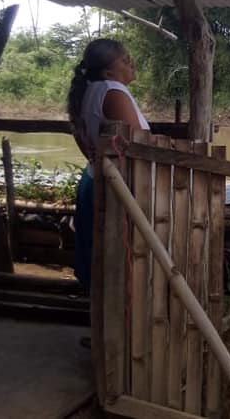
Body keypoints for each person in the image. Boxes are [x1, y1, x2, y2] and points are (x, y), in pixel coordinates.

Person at [67, 38, 149, 290]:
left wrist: (96, 159)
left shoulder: (90, 90)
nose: (131, 63)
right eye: (124, 60)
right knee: (117, 273)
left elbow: (80, 137)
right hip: (117, 188)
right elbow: (137, 143)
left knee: (101, 269)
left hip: (95, 179)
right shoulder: (112, 90)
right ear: (108, 72)